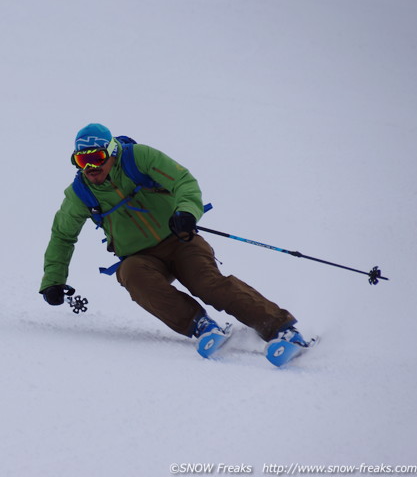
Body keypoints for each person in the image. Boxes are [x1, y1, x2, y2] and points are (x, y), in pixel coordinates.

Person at [39, 123, 309, 358]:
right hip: (141, 258)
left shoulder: (138, 158)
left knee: (207, 283)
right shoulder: (80, 194)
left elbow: (183, 181)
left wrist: (187, 212)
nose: (91, 168)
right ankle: (201, 326)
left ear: (111, 152)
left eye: (96, 157)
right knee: (131, 274)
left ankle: (282, 329)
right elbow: (62, 235)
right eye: (82, 161)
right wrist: (53, 280)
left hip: (180, 238)